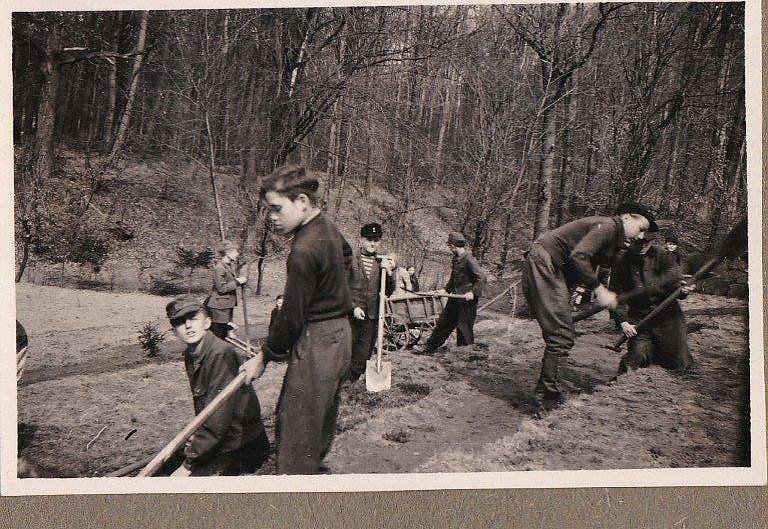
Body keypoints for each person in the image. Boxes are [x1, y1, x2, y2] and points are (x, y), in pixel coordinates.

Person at [240, 164, 354, 475]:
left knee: (297, 430)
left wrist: (264, 355)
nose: (271, 218)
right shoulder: (327, 226)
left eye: (276, 209)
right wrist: (333, 292)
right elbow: (347, 256)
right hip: (341, 335)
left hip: (318, 342)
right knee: (318, 421)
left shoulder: (303, 250)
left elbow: (291, 318)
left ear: (302, 201)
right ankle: (313, 475)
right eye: (268, 210)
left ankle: (297, 487)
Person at [522, 202, 659, 412]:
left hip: (553, 266)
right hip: (546, 261)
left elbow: (586, 263)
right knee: (561, 335)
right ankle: (545, 397)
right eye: (641, 228)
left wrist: (595, 289)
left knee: (562, 334)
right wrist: (598, 289)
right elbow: (579, 257)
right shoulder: (608, 226)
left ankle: (547, 392)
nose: (641, 236)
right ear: (626, 218)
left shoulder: (613, 237)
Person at [165, 296, 269, 477]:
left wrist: (188, 464)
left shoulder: (220, 353)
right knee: (167, 468)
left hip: (241, 444)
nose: (188, 326)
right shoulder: (192, 354)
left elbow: (217, 416)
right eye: (180, 322)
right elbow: (207, 409)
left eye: (193, 318)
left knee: (187, 484)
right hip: (220, 439)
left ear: (207, 322)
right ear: (174, 331)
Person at [609, 232, 694, 375]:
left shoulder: (664, 256)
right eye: (638, 242)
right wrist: (623, 321)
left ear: (652, 241)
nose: (642, 246)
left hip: (668, 318)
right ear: (630, 241)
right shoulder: (621, 261)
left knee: (678, 364)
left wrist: (683, 290)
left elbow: (676, 285)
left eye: (646, 242)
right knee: (637, 355)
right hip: (639, 318)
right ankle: (620, 379)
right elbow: (615, 295)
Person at [413, 232, 486, 355]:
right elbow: (454, 278)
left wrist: (472, 293)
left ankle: (465, 353)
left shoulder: (469, 259)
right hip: (455, 297)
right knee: (444, 322)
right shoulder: (456, 258)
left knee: (464, 328)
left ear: (453, 246)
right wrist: (445, 290)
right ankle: (429, 347)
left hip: (467, 300)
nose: (449, 249)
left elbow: (482, 277)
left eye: (449, 246)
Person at [347, 223, 396, 381]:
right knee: (345, 351)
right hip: (349, 315)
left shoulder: (381, 262)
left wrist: (389, 272)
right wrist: (353, 307)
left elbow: (388, 291)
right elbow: (340, 287)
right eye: (369, 240)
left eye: (376, 240)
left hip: (372, 316)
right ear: (361, 240)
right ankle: (339, 382)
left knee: (363, 355)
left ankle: (351, 382)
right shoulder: (349, 259)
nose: (373, 243)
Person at [206, 240, 247, 341]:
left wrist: (239, 280)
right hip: (219, 307)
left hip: (226, 305)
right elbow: (221, 288)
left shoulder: (228, 265)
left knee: (223, 334)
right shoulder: (219, 268)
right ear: (228, 253)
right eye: (235, 252)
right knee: (218, 336)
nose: (237, 254)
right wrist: (237, 281)